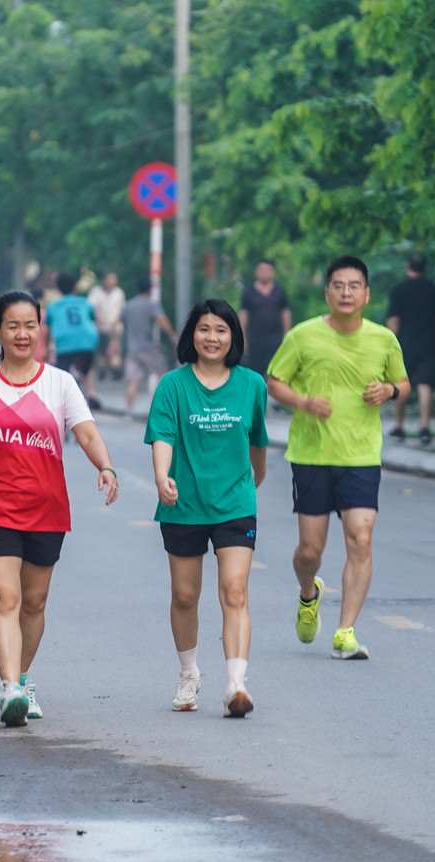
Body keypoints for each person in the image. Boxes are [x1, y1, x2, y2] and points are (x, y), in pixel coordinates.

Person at [0, 291, 120, 727]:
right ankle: (10, 691)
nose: (22, 334)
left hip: (46, 510)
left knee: (34, 604)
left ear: (41, 329)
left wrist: (106, 466)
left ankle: (23, 678)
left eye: (30, 325)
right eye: (12, 326)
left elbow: (87, 432)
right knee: (5, 598)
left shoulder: (60, 383)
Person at [267, 256, 408, 660]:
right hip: (311, 454)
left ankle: (346, 632)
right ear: (327, 292)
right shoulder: (302, 336)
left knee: (360, 539)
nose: (346, 293)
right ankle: (309, 594)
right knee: (310, 551)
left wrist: (390, 392)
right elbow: (274, 382)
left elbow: (403, 382)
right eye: (338, 286)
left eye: (354, 286)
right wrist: (303, 401)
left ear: (366, 294)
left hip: (362, 454)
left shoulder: (383, 339)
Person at [146, 299, 268, 717]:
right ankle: (189, 673)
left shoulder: (252, 384)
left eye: (221, 330)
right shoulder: (172, 386)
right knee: (185, 595)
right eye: (204, 329)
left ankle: (236, 684)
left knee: (235, 590)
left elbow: (258, 442)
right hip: (184, 503)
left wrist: (253, 483)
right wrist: (162, 477)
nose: (212, 337)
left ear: (233, 336)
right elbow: (162, 435)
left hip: (235, 502)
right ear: (190, 336)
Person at [385, 252, 435, 445]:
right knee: (425, 386)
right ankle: (424, 429)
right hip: (428, 344)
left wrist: (389, 345)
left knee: (402, 385)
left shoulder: (399, 290)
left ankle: (399, 427)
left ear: (407, 267)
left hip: (404, 345)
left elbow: (393, 321)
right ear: (425, 268)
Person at [118, 278, 176, 417]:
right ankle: (155, 406)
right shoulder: (151, 304)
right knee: (162, 374)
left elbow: (116, 322)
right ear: (150, 290)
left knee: (133, 380)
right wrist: (172, 335)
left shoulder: (128, 305)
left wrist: (115, 341)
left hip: (132, 349)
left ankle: (128, 410)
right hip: (148, 348)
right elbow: (162, 320)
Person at [45, 272, 101, 409]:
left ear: (58, 288)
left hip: (65, 342)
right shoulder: (85, 302)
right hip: (88, 340)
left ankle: (61, 400)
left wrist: (47, 348)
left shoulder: (53, 306)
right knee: (86, 369)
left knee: (61, 374)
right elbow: (94, 320)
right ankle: (91, 393)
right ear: (75, 287)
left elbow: (47, 330)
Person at [238, 258, 290, 381]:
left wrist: (287, 333)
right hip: (255, 339)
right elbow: (243, 314)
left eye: (267, 270)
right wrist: (242, 336)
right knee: (256, 372)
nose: (264, 272)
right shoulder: (249, 292)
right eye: (261, 269)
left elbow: (285, 312)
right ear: (256, 272)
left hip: (275, 338)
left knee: (276, 371)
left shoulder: (279, 291)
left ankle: (274, 397)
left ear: (273, 272)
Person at [88, 271, 126, 381]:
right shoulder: (96, 292)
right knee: (101, 352)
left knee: (115, 350)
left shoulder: (119, 292)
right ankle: (102, 371)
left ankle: (116, 371)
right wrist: (97, 317)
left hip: (116, 328)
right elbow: (91, 306)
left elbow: (122, 309)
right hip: (100, 328)